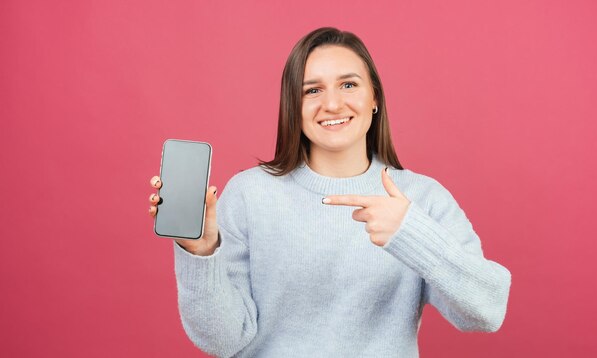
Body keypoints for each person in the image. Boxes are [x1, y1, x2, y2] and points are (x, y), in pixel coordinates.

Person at [148, 27, 511, 357]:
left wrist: (411, 233)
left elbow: (486, 311)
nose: (333, 104)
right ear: (294, 106)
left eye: (349, 85)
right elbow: (223, 341)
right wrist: (200, 252)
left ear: (375, 99)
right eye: (312, 90)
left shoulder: (423, 197)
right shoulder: (248, 194)